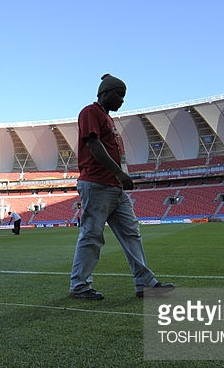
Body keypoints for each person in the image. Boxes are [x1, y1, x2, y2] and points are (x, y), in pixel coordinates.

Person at [69, 74, 175, 300]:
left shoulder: (109, 119)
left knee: (131, 233)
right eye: (119, 94)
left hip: (114, 186)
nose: (122, 100)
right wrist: (118, 172)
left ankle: (145, 283)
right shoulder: (90, 112)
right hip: (97, 183)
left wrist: (121, 175)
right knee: (92, 235)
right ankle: (79, 285)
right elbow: (93, 143)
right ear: (105, 92)